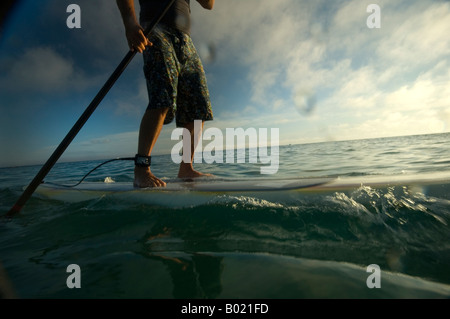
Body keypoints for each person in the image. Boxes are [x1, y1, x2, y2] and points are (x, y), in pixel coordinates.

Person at [116, 0, 215, 188]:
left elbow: (209, 4)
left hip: (185, 38)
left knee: (198, 105)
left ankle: (186, 169)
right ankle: (141, 169)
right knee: (164, 95)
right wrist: (130, 24)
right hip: (155, 28)